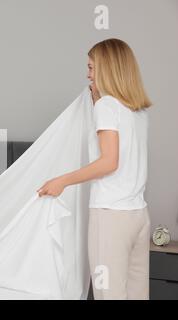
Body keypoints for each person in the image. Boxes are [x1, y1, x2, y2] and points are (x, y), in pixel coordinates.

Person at [37, 38, 152, 299]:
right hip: (139, 215)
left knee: (107, 294)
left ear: (108, 70)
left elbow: (109, 162)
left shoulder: (107, 106)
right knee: (136, 295)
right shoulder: (139, 111)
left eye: (91, 68)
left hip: (111, 218)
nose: (87, 74)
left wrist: (62, 180)